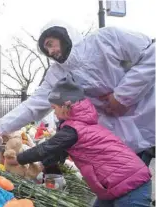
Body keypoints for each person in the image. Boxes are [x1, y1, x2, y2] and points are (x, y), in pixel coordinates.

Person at [0, 20, 155, 166]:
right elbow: (33, 105)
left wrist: (122, 97)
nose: (50, 52)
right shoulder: (57, 74)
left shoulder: (106, 39)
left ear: (63, 34)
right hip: (125, 139)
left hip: (150, 113)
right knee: (129, 185)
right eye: (46, 50)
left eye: (50, 43)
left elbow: (152, 52)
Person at [16, 74, 152, 206]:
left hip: (130, 186)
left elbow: (45, 148)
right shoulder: (80, 125)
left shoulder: (74, 129)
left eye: (54, 108)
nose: (54, 113)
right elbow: (59, 152)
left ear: (65, 105)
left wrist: (18, 160)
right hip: (116, 185)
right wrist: (41, 165)